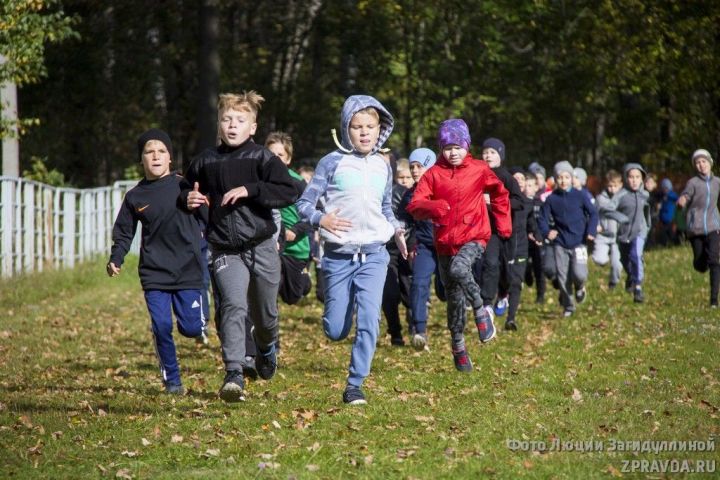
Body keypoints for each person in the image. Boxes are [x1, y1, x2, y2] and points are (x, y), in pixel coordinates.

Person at [183, 91, 298, 402]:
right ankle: (234, 371)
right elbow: (184, 187)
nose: (232, 125)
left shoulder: (262, 158)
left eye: (240, 120)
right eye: (226, 120)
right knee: (233, 305)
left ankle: (265, 347)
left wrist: (250, 189)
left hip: (261, 245)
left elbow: (290, 190)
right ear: (219, 125)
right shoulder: (206, 161)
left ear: (253, 127)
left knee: (266, 314)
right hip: (224, 248)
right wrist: (188, 199)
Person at [296, 94, 407, 405]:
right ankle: (340, 312)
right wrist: (322, 218)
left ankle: (355, 384)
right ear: (346, 128)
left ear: (380, 128)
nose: (364, 132)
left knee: (370, 320)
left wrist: (396, 230)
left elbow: (385, 207)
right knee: (335, 330)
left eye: (370, 126)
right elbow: (304, 204)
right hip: (337, 257)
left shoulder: (384, 165)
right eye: (357, 126)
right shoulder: (330, 163)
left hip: (374, 255)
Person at [108, 129, 207, 395]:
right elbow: (124, 232)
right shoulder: (135, 197)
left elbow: (208, 216)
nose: (155, 156)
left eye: (161, 151)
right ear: (141, 159)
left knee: (191, 328)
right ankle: (172, 380)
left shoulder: (184, 185)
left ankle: (201, 317)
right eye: (149, 152)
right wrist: (116, 257)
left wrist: (201, 206)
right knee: (162, 326)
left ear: (170, 158)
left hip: (188, 267)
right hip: (154, 272)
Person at [407, 119, 510, 372]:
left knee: (460, 269)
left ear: (467, 146)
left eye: (458, 147)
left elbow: (500, 193)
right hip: (444, 241)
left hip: (474, 235)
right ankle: (459, 347)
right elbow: (415, 205)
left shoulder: (479, 169)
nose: (453, 153)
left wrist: (503, 223)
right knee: (452, 299)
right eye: (447, 147)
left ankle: (480, 310)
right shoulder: (433, 174)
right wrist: (434, 207)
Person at [538, 161, 598, 317]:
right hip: (560, 243)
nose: (563, 180)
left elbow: (593, 213)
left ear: (572, 178)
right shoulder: (551, 199)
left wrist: (591, 230)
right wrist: (546, 232)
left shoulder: (580, 195)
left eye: (566, 177)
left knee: (580, 274)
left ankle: (580, 287)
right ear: (555, 180)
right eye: (560, 177)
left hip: (579, 243)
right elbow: (542, 219)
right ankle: (569, 306)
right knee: (563, 276)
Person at [398, 147, 442, 350]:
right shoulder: (409, 195)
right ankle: (419, 331)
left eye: (419, 166)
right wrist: (400, 231)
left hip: (447, 247)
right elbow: (403, 220)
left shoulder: (444, 188)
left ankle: (457, 331)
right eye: (412, 166)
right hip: (424, 246)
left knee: (444, 291)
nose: (415, 171)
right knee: (418, 284)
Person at [474, 138, 524, 316]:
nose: (488, 156)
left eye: (492, 152)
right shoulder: (477, 174)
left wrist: (496, 203)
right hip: (487, 230)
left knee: (505, 268)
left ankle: (503, 293)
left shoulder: (507, 177)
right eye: (485, 152)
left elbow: (519, 202)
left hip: (506, 229)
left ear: (500, 156)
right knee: (490, 263)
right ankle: (487, 302)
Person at [265, 132, 313, 305]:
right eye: (271, 154)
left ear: (288, 159)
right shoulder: (259, 180)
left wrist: (296, 230)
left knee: (292, 296)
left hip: (295, 246)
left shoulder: (298, 183)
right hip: (271, 243)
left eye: (280, 155)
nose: (275, 159)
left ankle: (304, 278)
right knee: (269, 289)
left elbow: (313, 213)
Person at [677, 149, 720, 307]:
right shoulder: (693, 182)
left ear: (710, 162)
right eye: (698, 162)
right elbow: (686, 195)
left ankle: (714, 300)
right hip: (695, 228)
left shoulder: (717, 182)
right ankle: (700, 263)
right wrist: (683, 199)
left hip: (714, 226)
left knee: (715, 260)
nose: (701, 165)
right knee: (700, 265)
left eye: (704, 161)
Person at [500, 167, 542, 331]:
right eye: (515, 179)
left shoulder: (528, 204)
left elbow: (532, 224)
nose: (519, 182)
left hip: (522, 248)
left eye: (522, 180)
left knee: (516, 282)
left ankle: (511, 319)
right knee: (505, 279)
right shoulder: (503, 201)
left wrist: (537, 235)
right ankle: (502, 293)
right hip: (504, 247)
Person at [381, 153, 412, 346]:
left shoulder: (405, 192)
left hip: (408, 248)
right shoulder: (370, 192)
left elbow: (414, 218)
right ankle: (396, 333)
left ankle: (416, 326)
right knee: (389, 293)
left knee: (410, 291)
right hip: (384, 250)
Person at [615, 163, 651, 303]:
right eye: (631, 177)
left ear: (642, 179)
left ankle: (638, 288)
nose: (634, 180)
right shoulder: (620, 196)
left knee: (636, 255)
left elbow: (647, 211)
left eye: (638, 177)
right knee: (625, 258)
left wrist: (647, 226)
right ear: (625, 178)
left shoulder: (645, 195)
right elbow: (610, 209)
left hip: (639, 231)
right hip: (623, 233)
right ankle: (630, 276)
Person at [592, 169, 627, 290]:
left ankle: (613, 282)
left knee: (617, 264)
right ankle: (604, 259)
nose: (612, 189)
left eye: (615, 186)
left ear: (621, 185)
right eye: (610, 186)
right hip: (603, 234)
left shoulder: (624, 198)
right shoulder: (600, 199)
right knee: (598, 260)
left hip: (618, 236)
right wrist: (595, 225)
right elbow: (593, 213)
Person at [657, 178, 678, 246]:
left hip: (670, 219)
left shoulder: (672, 195)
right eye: (664, 188)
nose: (665, 190)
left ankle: (674, 244)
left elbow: (677, 198)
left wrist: (668, 194)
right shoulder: (661, 196)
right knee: (663, 234)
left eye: (666, 188)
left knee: (672, 233)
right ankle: (664, 245)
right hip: (663, 219)